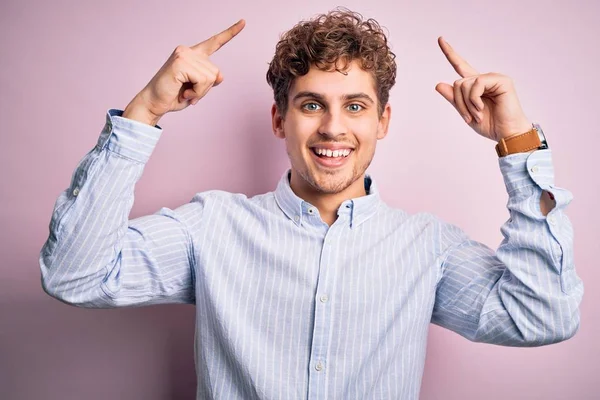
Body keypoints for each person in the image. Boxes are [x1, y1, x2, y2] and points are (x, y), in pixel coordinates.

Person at [39, 8, 583, 400]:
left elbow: (542, 316)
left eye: (355, 105)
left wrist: (517, 142)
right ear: (279, 119)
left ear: (381, 122)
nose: (333, 127)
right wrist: (144, 111)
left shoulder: (428, 246)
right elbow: (75, 276)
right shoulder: (212, 227)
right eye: (311, 104)